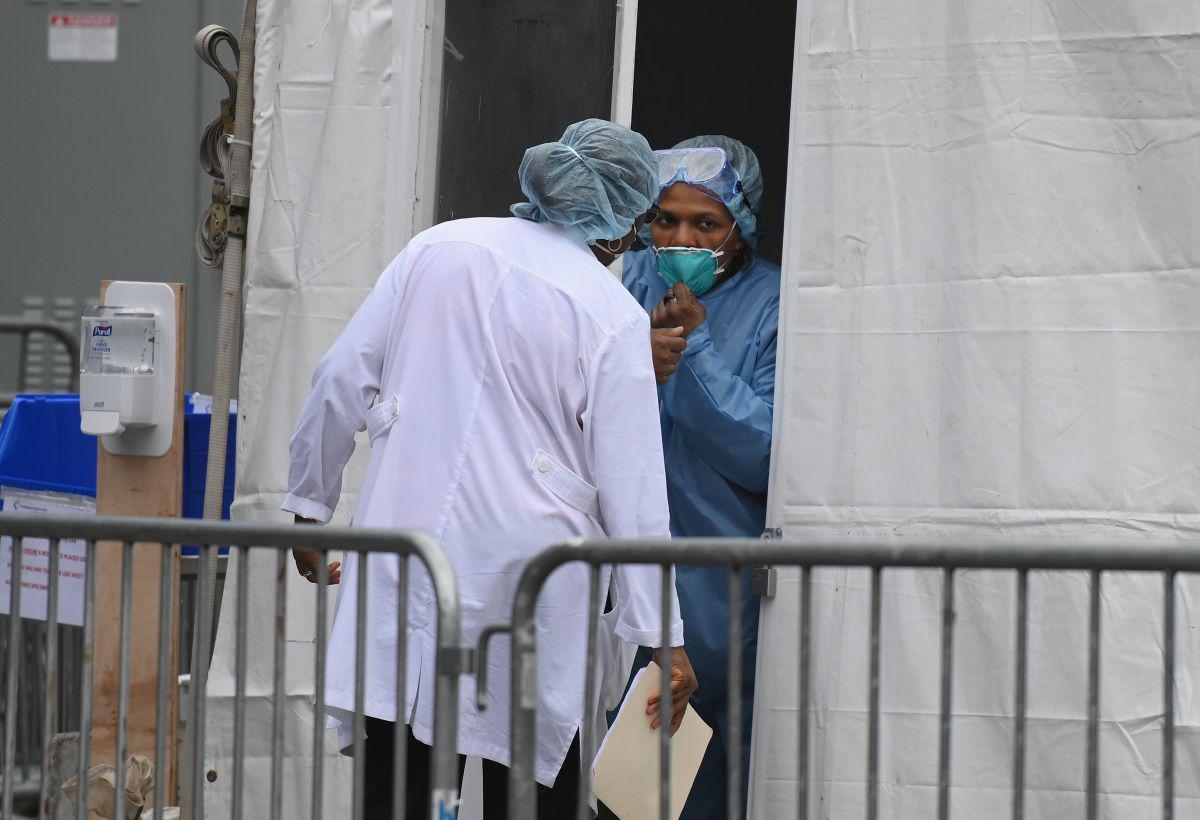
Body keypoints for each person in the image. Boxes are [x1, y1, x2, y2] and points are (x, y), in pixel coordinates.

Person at [283, 119, 699, 819]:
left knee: (406, 785)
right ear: (620, 218)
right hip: (532, 586)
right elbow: (634, 491)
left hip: (407, 559)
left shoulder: (437, 248)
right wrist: (665, 639)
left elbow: (339, 378)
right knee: (529, 789)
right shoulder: (611, 313)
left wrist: (308, 508)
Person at [621, 135, 780, 820]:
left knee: (705, 769)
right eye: (666, 219)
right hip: (619, 568)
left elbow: (765, 452)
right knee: (618, 775)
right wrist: (633, 362)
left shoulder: (775, 303)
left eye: (706, 223)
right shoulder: (621, 282)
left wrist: (695, 350)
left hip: (717, 585)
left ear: (740, 228)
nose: (681, 239)